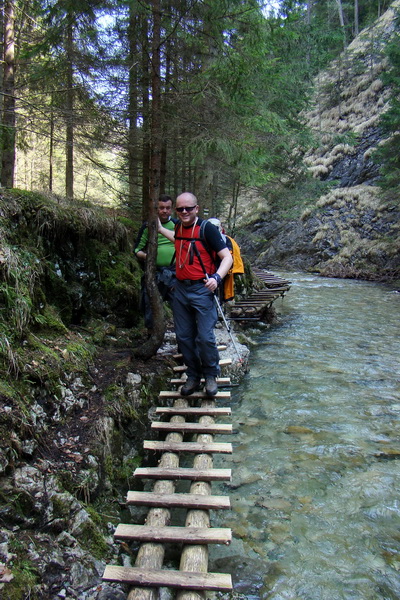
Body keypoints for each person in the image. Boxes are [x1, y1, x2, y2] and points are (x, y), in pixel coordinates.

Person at [158, 192, 232, 397]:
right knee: (183, 336)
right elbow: (178, 239)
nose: (183, 212)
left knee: (205, 337)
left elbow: (227, 257)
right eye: (180, 209)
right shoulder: (180, 227)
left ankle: (210, 375)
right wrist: (160, 229)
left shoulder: (207, 229)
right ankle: (193, 375)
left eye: (188, 208)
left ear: (196, 209)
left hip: (202, 289)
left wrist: (216, 278)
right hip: (181, 289)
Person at [134, 194, 176, 330]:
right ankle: (152, 335)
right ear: (156, 208)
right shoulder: (147, 226)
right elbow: (137, 250)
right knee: (149, 305)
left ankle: (184, 342)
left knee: (181, 307)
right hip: (155, 273)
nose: (165, 211)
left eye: (168, 208)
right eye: (162, 208)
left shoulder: (177, 225)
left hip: (175, 273)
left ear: (172, 209)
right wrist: (149, 257)